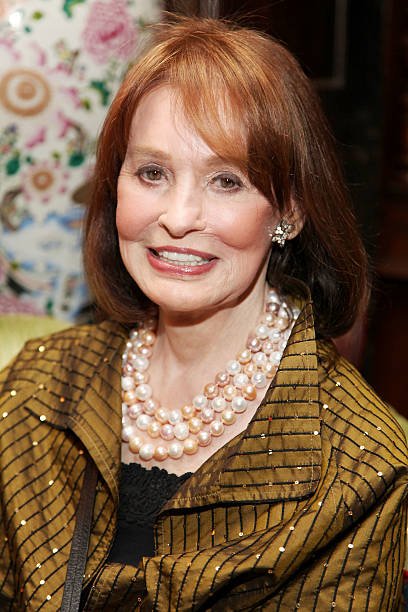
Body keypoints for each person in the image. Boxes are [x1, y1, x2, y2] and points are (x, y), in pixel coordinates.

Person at [0, 15, 406, 611]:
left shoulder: (361, 466)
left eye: (226, 180)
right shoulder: (37, 385)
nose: (179, 215)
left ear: (288, 209)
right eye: (152, 173)